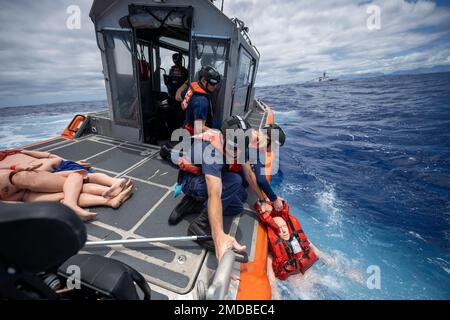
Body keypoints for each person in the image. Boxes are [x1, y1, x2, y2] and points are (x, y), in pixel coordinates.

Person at [178, 116, 273, 262]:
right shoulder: (212, 152)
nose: (236, 152)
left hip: (209, 179)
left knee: (237, 206)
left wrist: (263, 199)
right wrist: (219, 236)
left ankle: (195, 204)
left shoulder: (240, 144)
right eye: (233, 148)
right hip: (191, 182)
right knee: (235, 181)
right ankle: (200, 223)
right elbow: (214, 193)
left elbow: (248, 173)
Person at [0, 149, 132, 199]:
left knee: (85, 180)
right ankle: (113, 187)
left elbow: (46, 155)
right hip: (47, 174)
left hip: (56, 167)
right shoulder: (7, 166)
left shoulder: (16, 152)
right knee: (81, 183)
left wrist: (70, 161)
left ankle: (114, 185)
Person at [175, 65, 222, 135]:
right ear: (203, 81)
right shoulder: (202, 102)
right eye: (212, 84)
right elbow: (199, 128)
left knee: (222, 124)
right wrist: (217, 134)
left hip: (187, 124)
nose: (215, 87)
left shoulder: (192, 87)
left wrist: (186, 83)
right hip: (194, 134)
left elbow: (177, 97)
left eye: (216, 84)